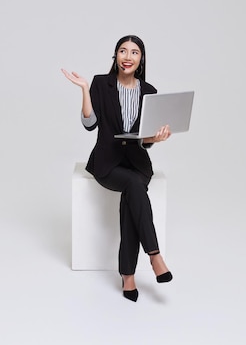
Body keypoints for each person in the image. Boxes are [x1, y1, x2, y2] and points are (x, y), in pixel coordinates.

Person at [61, 35, 172, 302]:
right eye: (123, 51)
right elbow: (90, 125)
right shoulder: (101, 83)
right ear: (116, 56)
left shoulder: (149, 91)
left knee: (132, 197)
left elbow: (144, 137)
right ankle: (155, 256)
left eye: (134, 52)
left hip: (137, 163)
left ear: (141, 59)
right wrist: (85, 89)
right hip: (107, 163)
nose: (128, 56)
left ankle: (128, 276)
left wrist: (154, 138)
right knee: (134, 187)